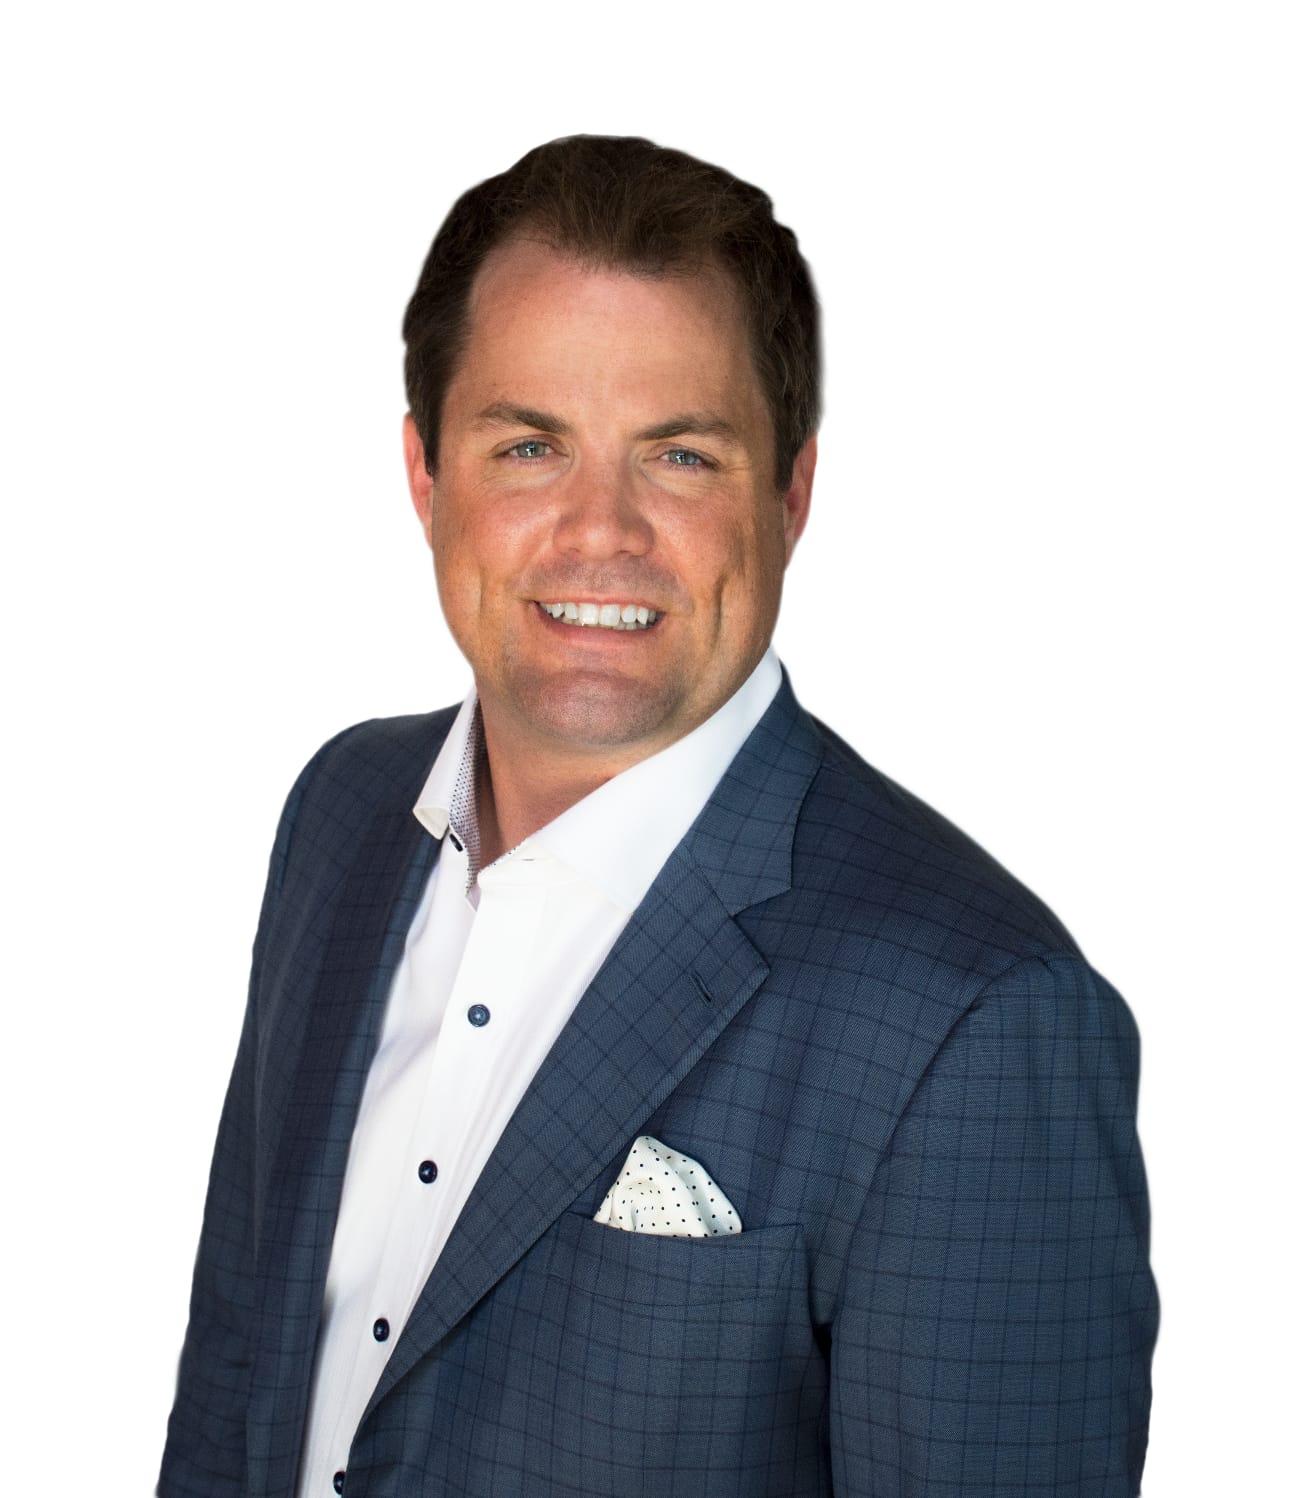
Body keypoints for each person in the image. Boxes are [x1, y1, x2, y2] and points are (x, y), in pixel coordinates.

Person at [159, 135, 1157, 1498]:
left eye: (680, 456)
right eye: (529, 446)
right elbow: (237, 1376)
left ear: (791, 493)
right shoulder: (341, 816)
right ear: (426, 475)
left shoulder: (976, 1016)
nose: (600, 531)